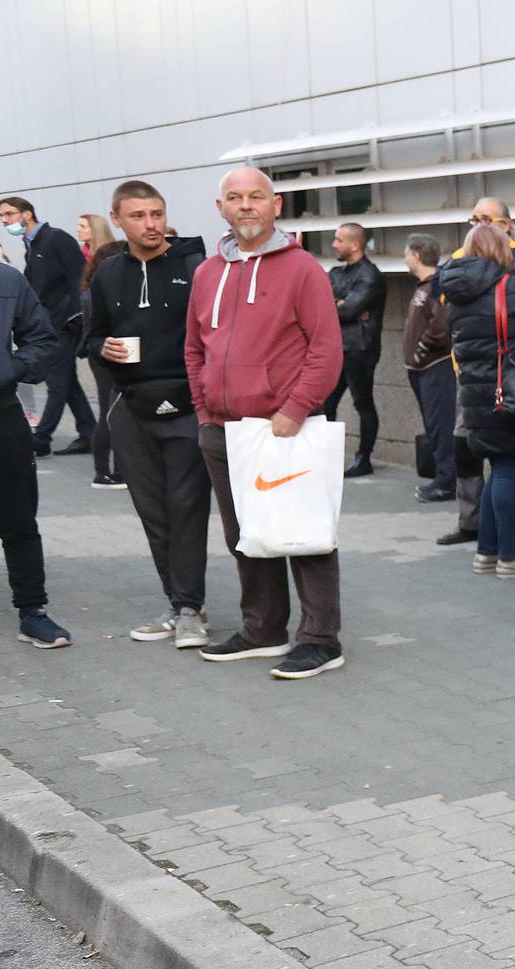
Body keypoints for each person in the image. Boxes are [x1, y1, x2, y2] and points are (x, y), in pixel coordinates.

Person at [184, 166, 346, 680]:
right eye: (235, 198)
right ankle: (263, 629)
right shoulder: (209, 272)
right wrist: (205, 410)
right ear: (220, 208)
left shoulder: (302, 270)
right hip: (225, 429)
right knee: (247, 534)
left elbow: (326, 349)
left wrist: (294, 409)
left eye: (256, 196)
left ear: (276, 205)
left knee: (304, 532)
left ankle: (321, 639)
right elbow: (194, 348)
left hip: (285, 426)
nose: (246, 205)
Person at [87, 179, 213, 647]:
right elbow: (91, 336)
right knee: (152, 511)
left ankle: (187, 609)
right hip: (129, 405)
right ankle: (181, 603)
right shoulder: (107, 274)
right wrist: (105, 347)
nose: (150, 224)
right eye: (138, 216)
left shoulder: (195, 266)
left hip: (188, 403)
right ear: (117, 219)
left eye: (156, 214)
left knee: (186, 507)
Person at [437, 223, 515, 579]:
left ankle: (486, 552)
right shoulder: (510, 287)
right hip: (511, 396)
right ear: (501, 251)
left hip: (476, 397)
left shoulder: (456, 295)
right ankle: (510, 557)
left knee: (498, 469)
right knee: (509, 469)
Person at [0, 240, 70, 648]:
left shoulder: (4, 279)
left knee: (18, 522)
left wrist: (3, 370)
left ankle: (33, 612)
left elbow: (44, 341)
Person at [0, 195, 96, 458]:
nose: (5, 221)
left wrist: (76, 317)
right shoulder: (32, 245)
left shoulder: (55, 238)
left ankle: (41, 438)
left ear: (27, 214)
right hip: (51, 325)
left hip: (63, 324)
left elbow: (80, 276)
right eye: (2, 216)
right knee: (68, 382)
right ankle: (90, 433)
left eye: (9, 214)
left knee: (57, 382)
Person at [322, 222, 384, 477]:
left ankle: (364, 458)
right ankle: (325, 456)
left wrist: (339, 305)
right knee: (325, 404)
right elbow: (321, 304)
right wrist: (338, 305)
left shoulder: (370, 274)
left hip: (360, 349)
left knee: (362, 403)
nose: (334, 244)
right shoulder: (336, 272)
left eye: (338, 240)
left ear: (355, 244)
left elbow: (348, 309)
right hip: (336, 347)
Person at [401, 233, 457, 503]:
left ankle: (446, 483)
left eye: (407, 253)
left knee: (440, 425)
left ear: (417, 255)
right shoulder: (423, 286)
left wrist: (422, 350)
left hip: (435, 366)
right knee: (434, 424)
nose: (404, 257)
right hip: (422, 368)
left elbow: (441, 325)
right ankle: (442, 477)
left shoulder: (436, 286)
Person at [78, 239, 127, 489]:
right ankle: (107, 472)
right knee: (110, 412)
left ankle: (113, 470)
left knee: (111, 412)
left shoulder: (94, 289)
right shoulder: (97, 293)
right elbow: (96, 330)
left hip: (103, 356)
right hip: (105, 357)